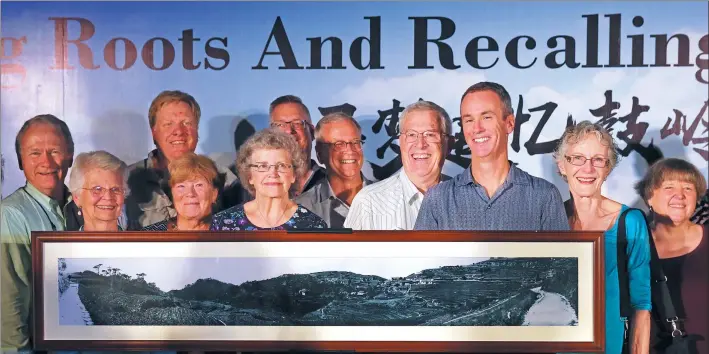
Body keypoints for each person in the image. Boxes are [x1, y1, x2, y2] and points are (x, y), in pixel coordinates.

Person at [414, 82, 568, 231]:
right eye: (469, 120)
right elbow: (420, 258)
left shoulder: (544, 196)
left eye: (486, 117)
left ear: (509, 123)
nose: (477, 128)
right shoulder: (437, 199)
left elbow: (561, 257)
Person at [554, 121, 651, 354]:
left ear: (608, 168)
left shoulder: (630, 222)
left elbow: (641, 305)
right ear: (561, 165)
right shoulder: (547, 220)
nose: (587, 169)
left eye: (598, 160)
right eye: (577, 158)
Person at [1, 114, 79, 351]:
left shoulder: (82, 206)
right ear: (20, 160)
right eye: (35, 153)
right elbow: (9, 302)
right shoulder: (10, 215)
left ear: (70, 156)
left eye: (54, 151)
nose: (46, 162)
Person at [124, 90, 239, 229]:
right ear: (153, 132)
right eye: (168, 124)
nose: (178, 131)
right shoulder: (125, 181)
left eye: (186, 123)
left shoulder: (225, 180)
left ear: (197, 130)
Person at [635, 158, 708, 354]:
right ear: (649, 196)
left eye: (688, 188)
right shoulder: (634, 248)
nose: (680, 195)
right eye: (669, 187)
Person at [344, 100, 452, 230]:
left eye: (430, 134)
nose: (420, 144)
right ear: (401, 142)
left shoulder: (466, 198)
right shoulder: (369, 202)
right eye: (411, 135)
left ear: (449, 144)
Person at [211, 129, 327, 230]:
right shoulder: (222, 224)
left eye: (281, 165)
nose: (273, 173)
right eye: (263, 166)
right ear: (250, 176)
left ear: (293, 175)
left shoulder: (313, 226)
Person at [295, 112, 373, 228]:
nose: (350, 150)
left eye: (355, 142)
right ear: (319, 154)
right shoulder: (301, 209)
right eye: (339, 144)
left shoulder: (389, 199)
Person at [143, 153, 220, 231]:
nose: (190, 193)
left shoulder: (231, 232)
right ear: (172, 194)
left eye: (199, 185)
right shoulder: (147, 239)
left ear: (214, 194)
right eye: (181, 186)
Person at [268, 95, 327, 195]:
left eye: (297, 123)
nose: (289, 131)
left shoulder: (333, 184)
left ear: (312, 132)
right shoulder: (249, 188)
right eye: (280, 125)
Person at [69, 151, 128, 231]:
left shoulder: (142, 243)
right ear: (77, 197)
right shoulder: (63, 243)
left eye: (115, 189)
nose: (108, 197)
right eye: (97, 189)